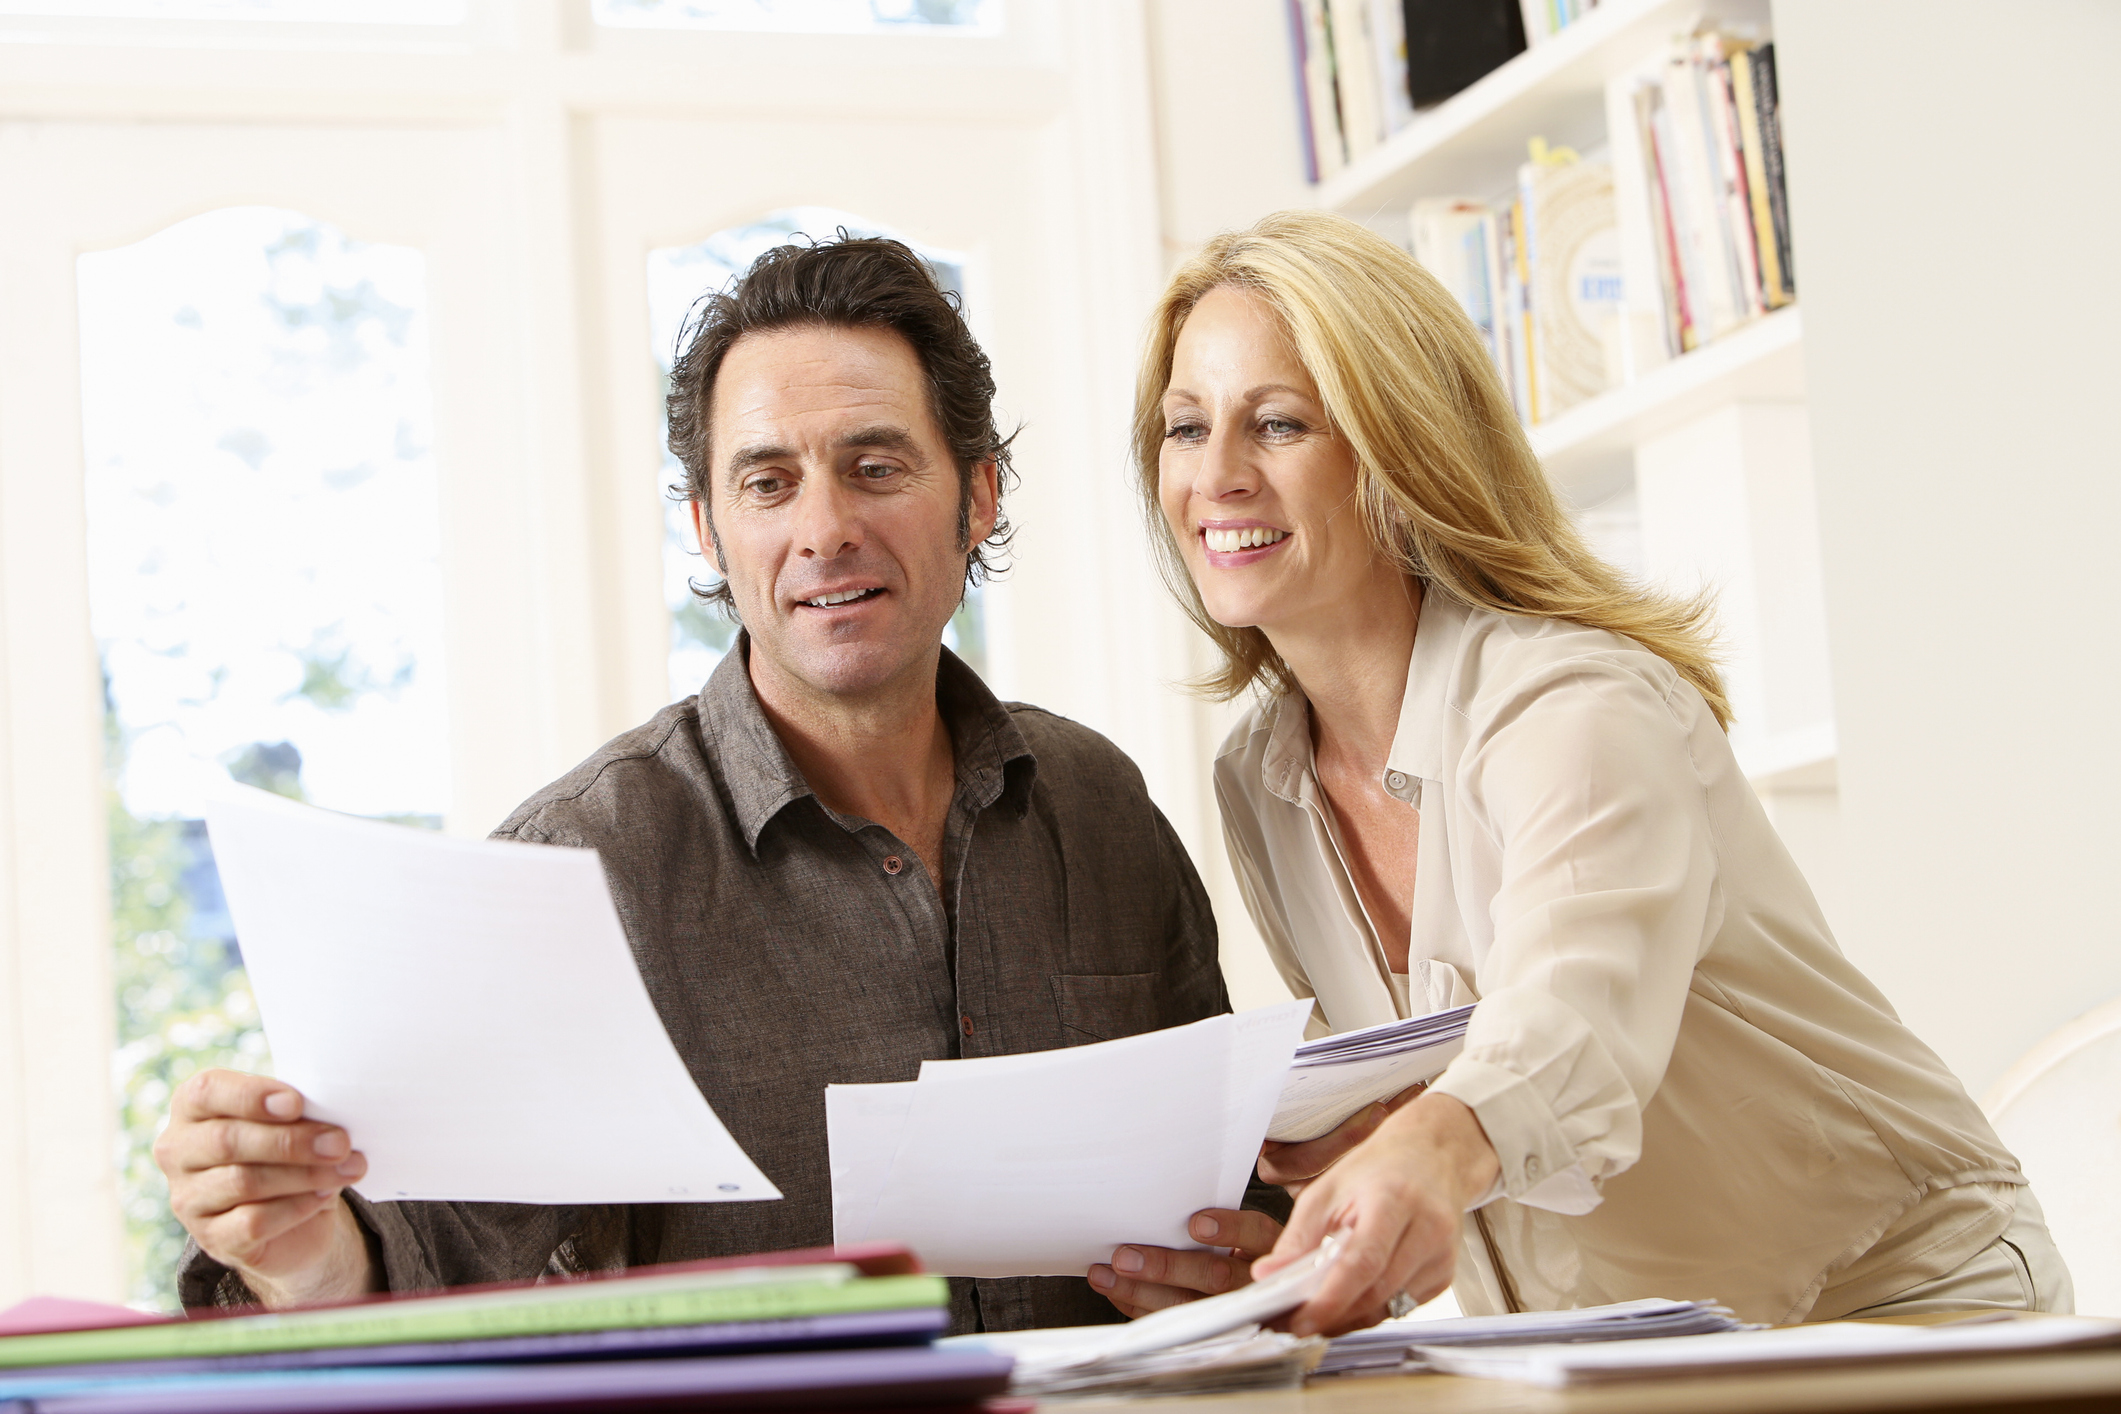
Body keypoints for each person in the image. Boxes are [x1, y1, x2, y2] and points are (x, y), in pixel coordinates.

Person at [156, 234, 1280, 1335]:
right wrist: (298, 1253)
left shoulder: (1099, 806)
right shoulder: (580, 864)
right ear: (707, 524)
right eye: (767, 482)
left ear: (977, 497)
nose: (824, 530)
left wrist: (1244, 1272)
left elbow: (1242, 1203)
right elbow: (419, 1270)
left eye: (876, 466)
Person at [1088, 210, 2071, 1334]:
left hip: (1893, 1296)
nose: (1215, 476)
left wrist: (1427, 1146)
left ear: (1396, 453)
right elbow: (1460, 1108)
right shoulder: (1263, 781)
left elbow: (1571, 1023)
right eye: (1183, 428)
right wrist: (1312, 1250)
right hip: (1620, 1338)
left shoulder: (1575, 704)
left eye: (1278, 423)